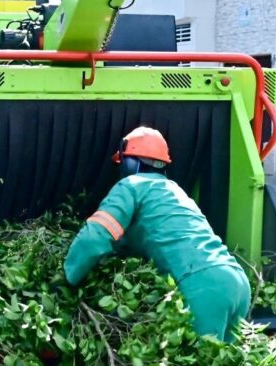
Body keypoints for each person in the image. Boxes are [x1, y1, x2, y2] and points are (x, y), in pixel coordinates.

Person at [63, 127, 251, 343]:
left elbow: (94, 237)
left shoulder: (131, 186)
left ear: (128, 162)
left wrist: (67, 278)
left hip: (203, 287)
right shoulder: (174, 190)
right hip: (236, 282)